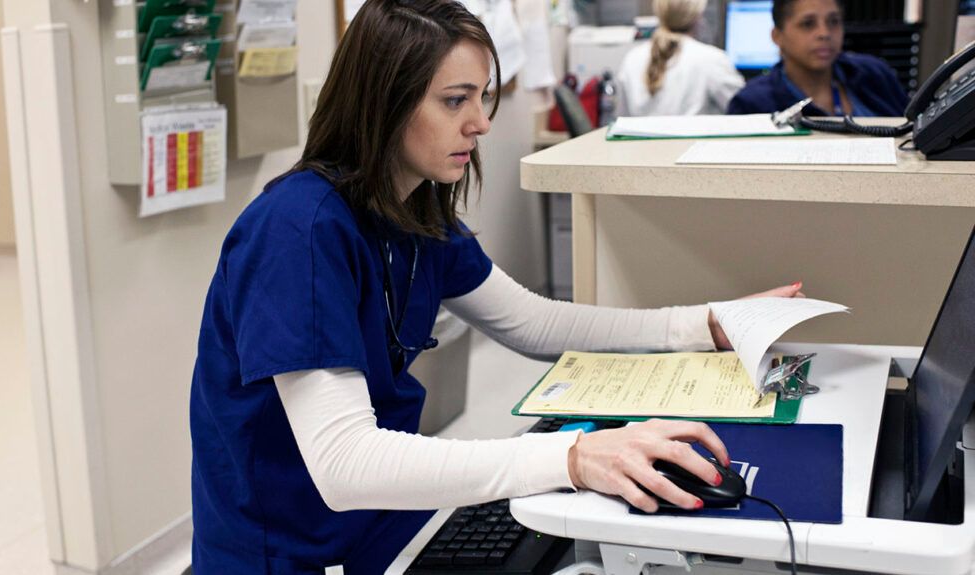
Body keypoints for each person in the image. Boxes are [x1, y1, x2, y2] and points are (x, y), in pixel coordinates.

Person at [189, 1, 803, 573]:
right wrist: (571, 459)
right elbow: (346, 463)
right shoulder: (297, 231)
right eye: (456, 101)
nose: (481, 122)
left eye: (481, 97)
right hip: (291, 548)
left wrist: (698, 326)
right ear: (385, 102)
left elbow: (531, 322)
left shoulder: (412, 211)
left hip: (378, 524)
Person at [727, 0, 908, 116]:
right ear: (777, 36)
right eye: (808, 24)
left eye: (833, 22)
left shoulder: (874, 74)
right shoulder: (751, 103)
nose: (824, 33)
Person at [616, 0, 744, 116]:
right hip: (696, 141)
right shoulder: (712, 59)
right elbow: (745, 109)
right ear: (697, 17)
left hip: (641, 143)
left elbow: (621, 121)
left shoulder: (632, 58)